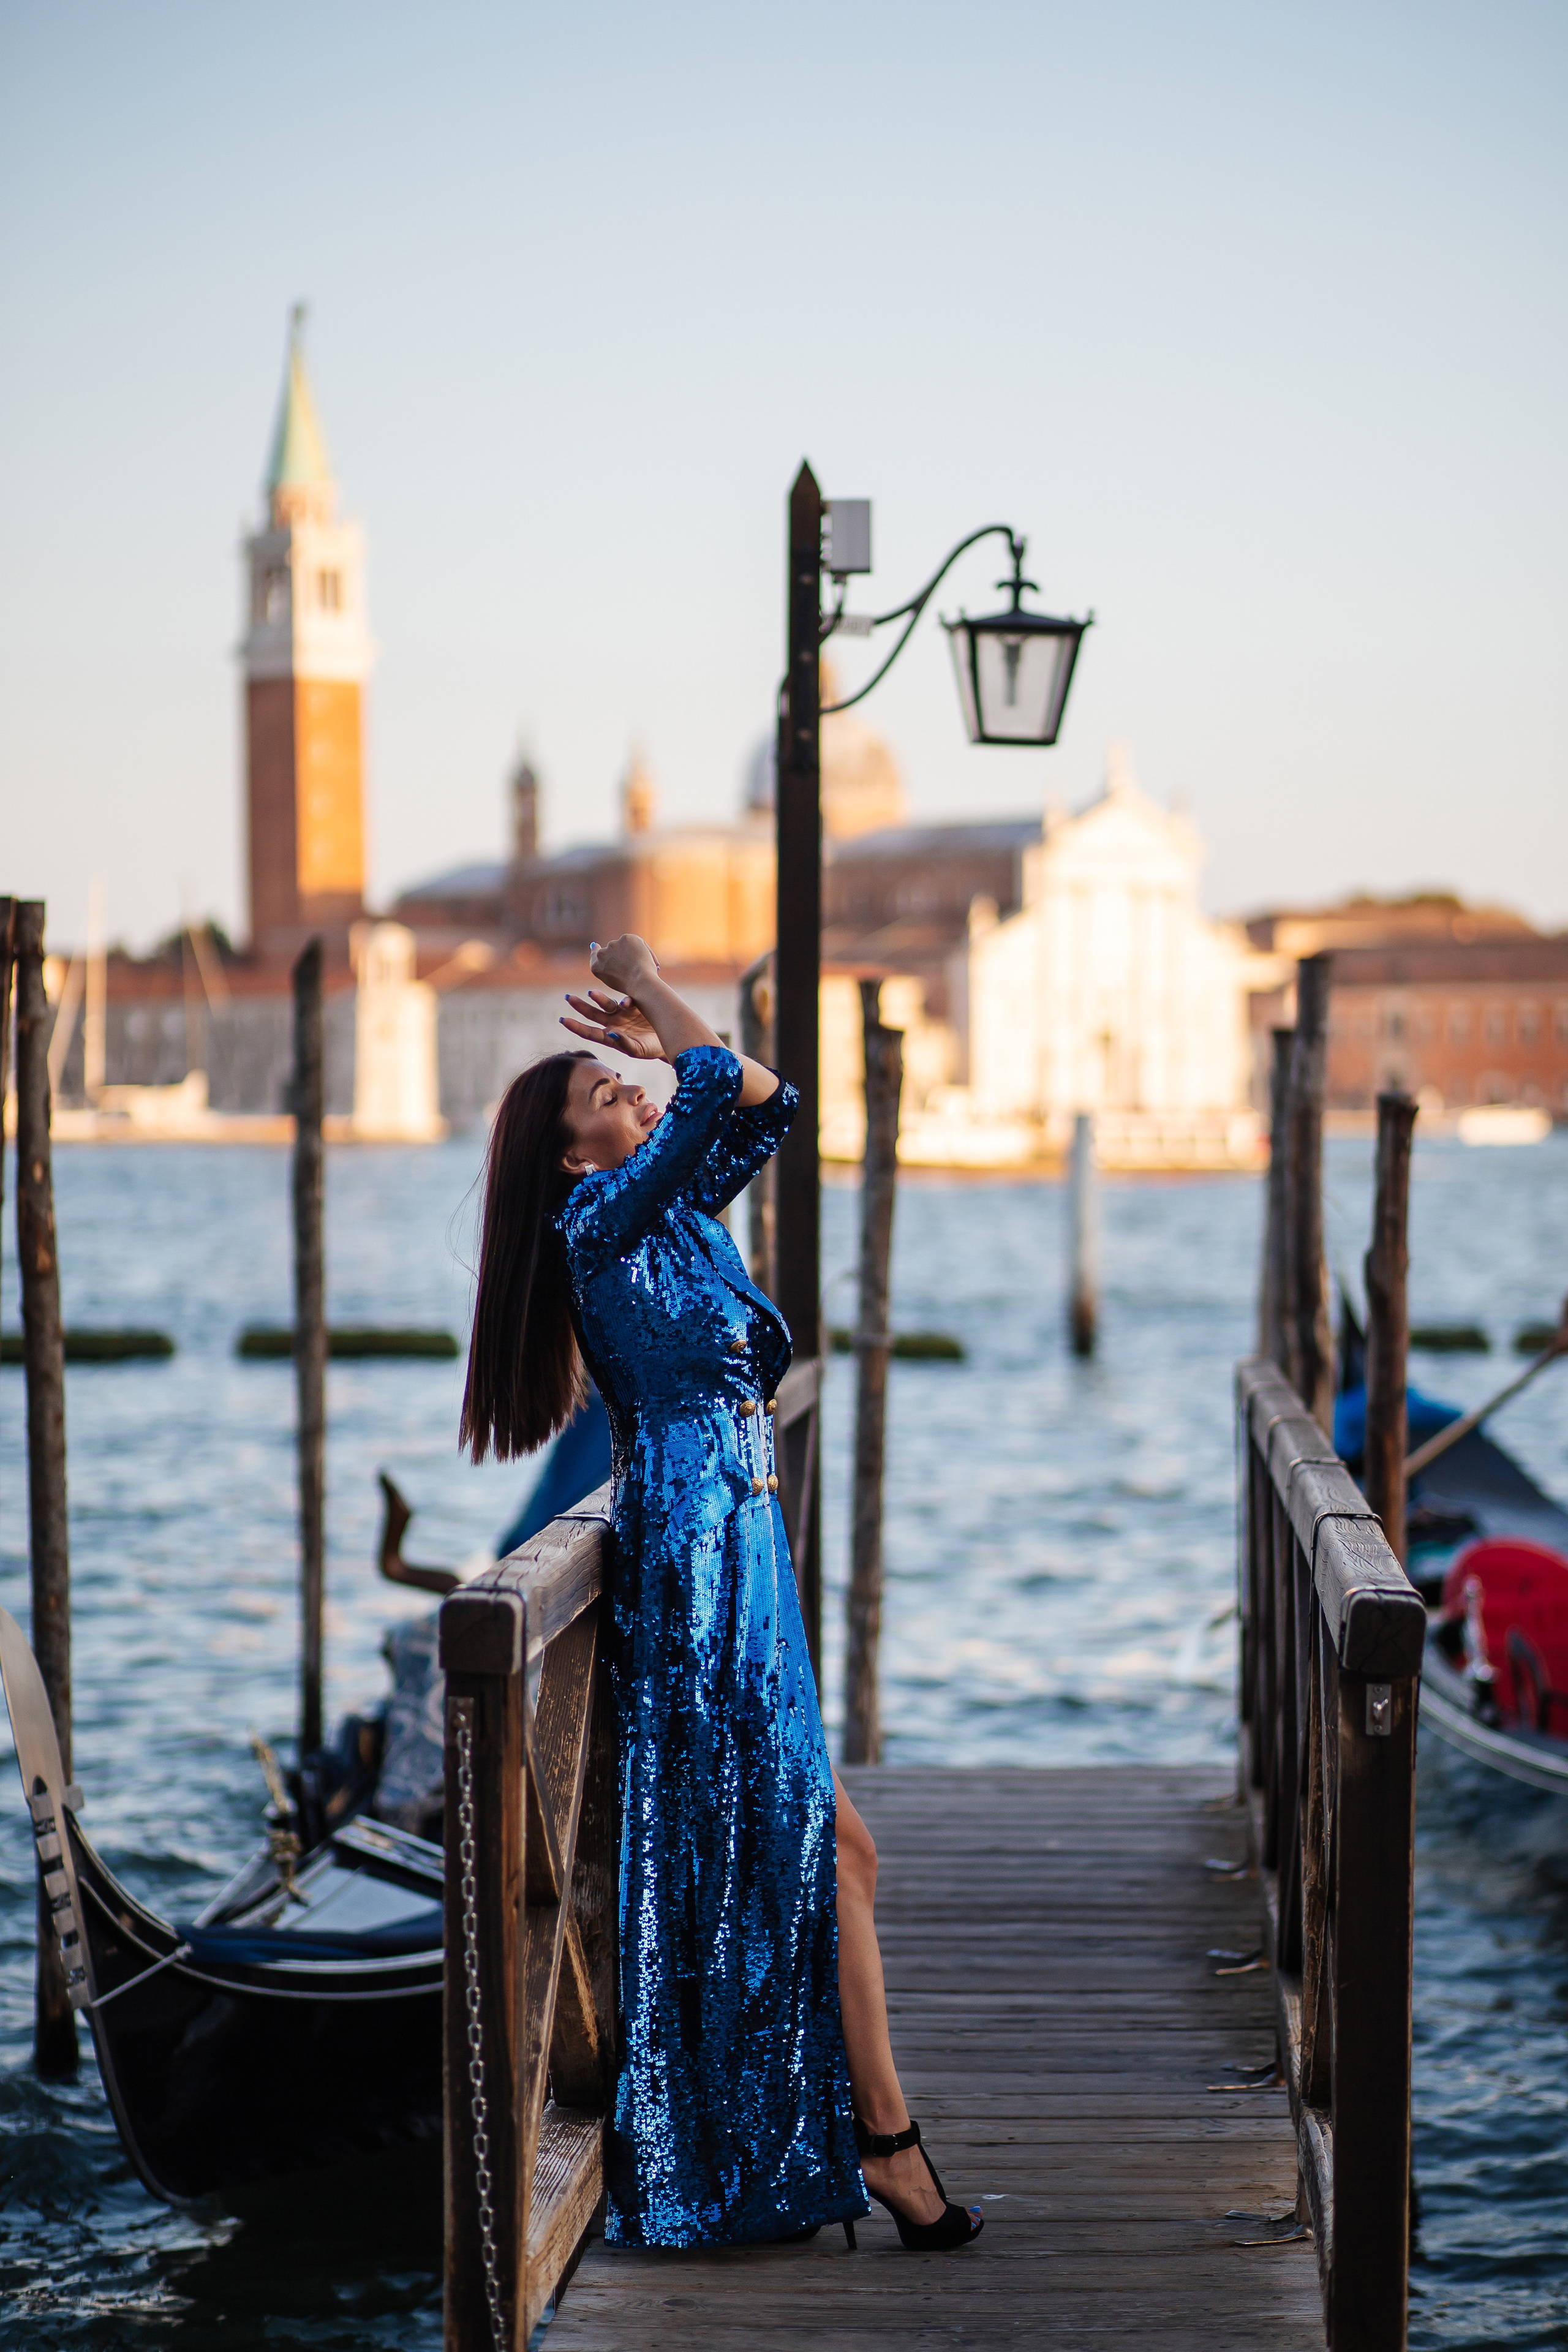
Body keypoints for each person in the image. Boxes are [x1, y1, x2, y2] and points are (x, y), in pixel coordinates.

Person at [460, 934, 982, 2255]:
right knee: (824, 1854)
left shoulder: (676, 1214)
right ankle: (882, 2146)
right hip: (692, 1572)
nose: (632, 1093)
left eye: (624, 1084)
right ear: (572, 1156)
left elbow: (766, 1100)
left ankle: (826, 2140)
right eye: (604, 1098)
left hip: (741, 1555)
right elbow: (708, 1088)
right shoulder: (596, 1221)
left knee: (815, 1859)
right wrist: (643, 986)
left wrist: (654, 1033)